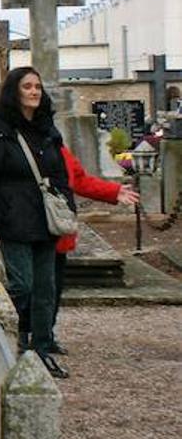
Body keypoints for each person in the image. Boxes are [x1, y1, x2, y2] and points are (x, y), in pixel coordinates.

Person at [0, 67, 76, 378]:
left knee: (46, 288)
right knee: (22, 285)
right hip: (13, 218)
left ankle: (41, 350)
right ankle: (5, 340)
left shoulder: (47, 130)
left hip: (44, 220)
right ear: (14, 92)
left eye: (37, 86)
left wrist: (68, 211)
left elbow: (60, 175)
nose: (34, 92)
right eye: (27, 86)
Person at [53, 146, 139, 352]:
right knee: (28, 287)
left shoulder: (55, 145)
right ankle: (26, 333)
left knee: (52, 289)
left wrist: (114, 191)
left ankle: (44, 335)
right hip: (24, 229)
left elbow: (79, 179)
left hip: (55, 229)